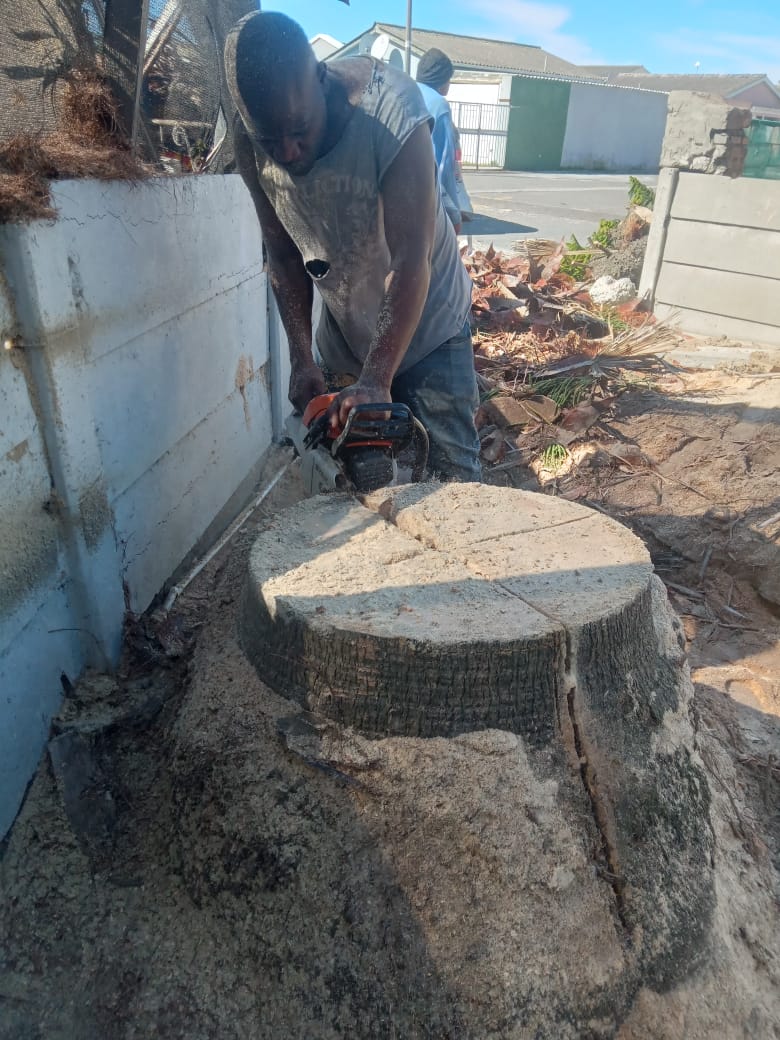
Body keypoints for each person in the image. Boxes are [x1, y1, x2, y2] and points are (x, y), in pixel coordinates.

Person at [224, 12, 481, 482]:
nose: (287, 152)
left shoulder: (391, 110)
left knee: (455, 484)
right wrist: (301, 358)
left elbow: (412, 258)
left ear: (322, 81)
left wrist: (378, 378)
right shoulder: (248, 136)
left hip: (431, 325)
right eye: (270, 140)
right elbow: (283, 255)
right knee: (354, 485)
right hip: (347, 333)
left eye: (299, 130)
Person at [415, 48, 462, 232]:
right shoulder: (438, 104)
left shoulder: (404, 93)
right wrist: (453, 213)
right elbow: (443, 164)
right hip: (424, 199)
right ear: (441, 79)